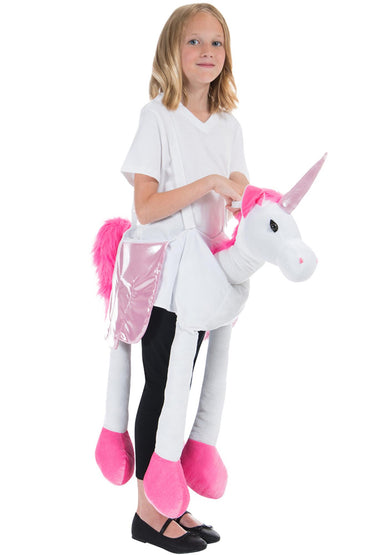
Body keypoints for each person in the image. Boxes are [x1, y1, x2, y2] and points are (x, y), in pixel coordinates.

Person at [115, 4, 249, 552]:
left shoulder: (229, 125)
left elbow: (238, 188)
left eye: (216, 42)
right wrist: (210, 182)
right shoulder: (158, 117)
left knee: (184, 387)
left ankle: (170, 501)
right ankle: (148, 514)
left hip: (203, 279)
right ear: (172, 51)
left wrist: (238, 193)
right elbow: (146, 208)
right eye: (194, 41)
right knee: (161, 388)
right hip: (161, 277)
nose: (207, 52)